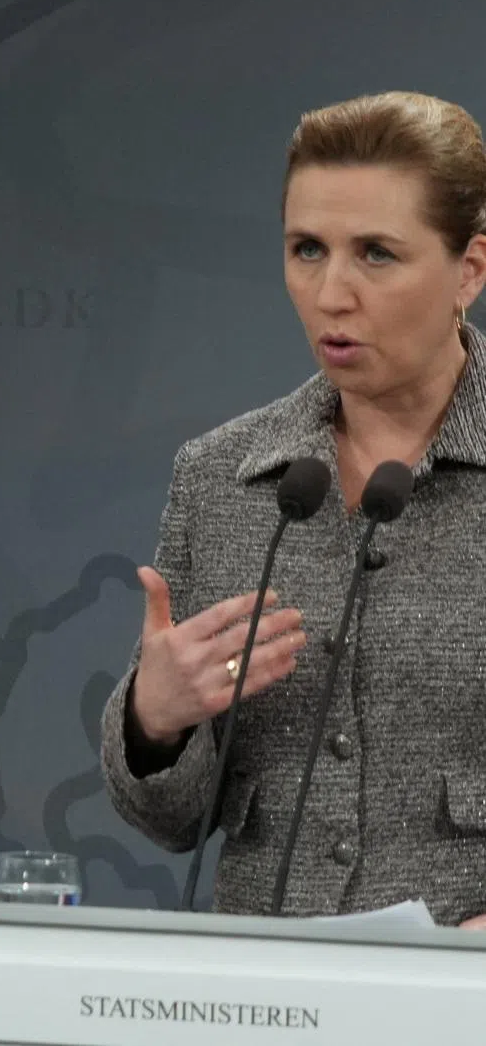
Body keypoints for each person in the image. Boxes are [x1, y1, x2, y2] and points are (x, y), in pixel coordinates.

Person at [100, 90, 486, 928]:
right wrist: (155, 722)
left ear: (471, 269)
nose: (331, 293)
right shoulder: (220, 479)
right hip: (272, 1000)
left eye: (376, 254)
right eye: (307, 249)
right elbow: (173, 822)